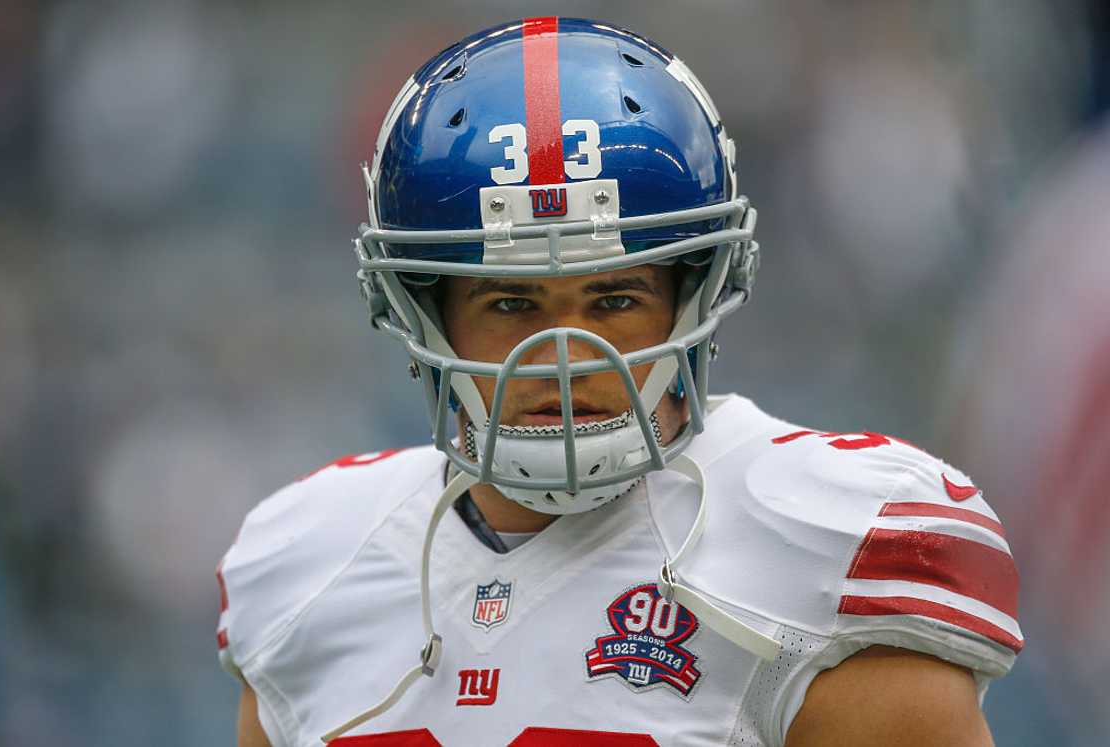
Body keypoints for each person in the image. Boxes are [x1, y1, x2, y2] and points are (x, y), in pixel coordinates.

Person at [216, 17, 1021, 747]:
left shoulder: (829, 549)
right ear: (424, 316)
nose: (565, 357)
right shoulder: (311, 569)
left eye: (615, 298)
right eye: (509, 302)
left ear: (693, 295)